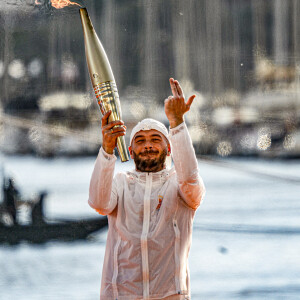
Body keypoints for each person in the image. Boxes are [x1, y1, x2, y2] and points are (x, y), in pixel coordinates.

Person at [89, 78, 206, 300]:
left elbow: (190, 181)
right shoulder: (121, 183)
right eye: (140, 141)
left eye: (155, 139)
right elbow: (98, 203)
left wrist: (177, 123)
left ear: (168, 148)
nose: (148, 146)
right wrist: (106, 149)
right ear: (131, 152)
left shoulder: (179, 186)